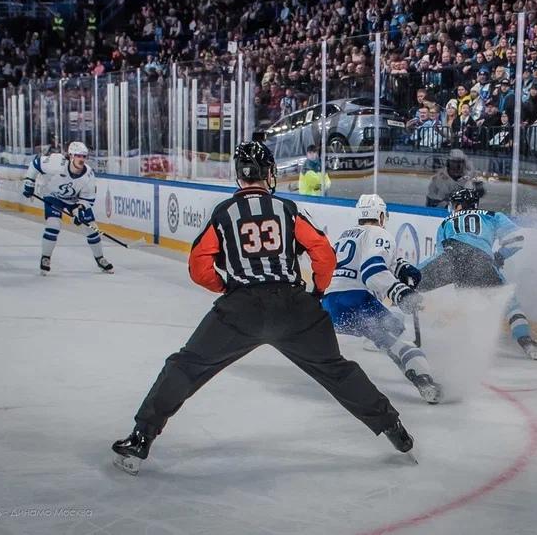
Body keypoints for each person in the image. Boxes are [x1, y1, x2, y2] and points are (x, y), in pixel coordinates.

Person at [111, 141, 413, 475]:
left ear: (238, 177)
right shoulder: (288, 209)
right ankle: (393, 428)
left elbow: (199, 266)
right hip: (294, 307)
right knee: (337, 371)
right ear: (270, 174)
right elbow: (323, 252)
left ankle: (141, 437)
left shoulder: (224, 212)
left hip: (241, 309)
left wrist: (225, 288)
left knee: (185, 367)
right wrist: (317, 291)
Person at [322, 194, 442, 404]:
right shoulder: (380, 232)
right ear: (380, 215)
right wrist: (401, 292)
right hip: (357, 301)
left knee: (388, 331)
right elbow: (372, 269)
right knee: (398, 335)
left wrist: (402, 267)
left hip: (330, 305)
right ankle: (425, 381)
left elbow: (374, 261)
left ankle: (375, 337)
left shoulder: (345, 235)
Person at [417, 187, 537, 360]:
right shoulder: (493, 216)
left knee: (411, 286)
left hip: (452, 258)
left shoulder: (445, 223)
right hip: (481, 261)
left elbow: (439, 255)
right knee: (510, 304)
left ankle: (388, 327)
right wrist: (498, 257)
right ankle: (527, 343)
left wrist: (415, 277)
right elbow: (517, 241)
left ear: (458, 206)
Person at [21, 141, 113, 275]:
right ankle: (45, 257)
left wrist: (79, 210)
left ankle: (100, 258)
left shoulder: (88, 175)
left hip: (74, 200)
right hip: (53, 196)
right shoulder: (56, 163)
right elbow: (35, 164)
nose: (81, 159)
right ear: (71, 156)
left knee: (91, 227)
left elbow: (87, 198)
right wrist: (29, 182)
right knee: (53, 225)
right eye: (78, 156)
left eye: (84, 156)